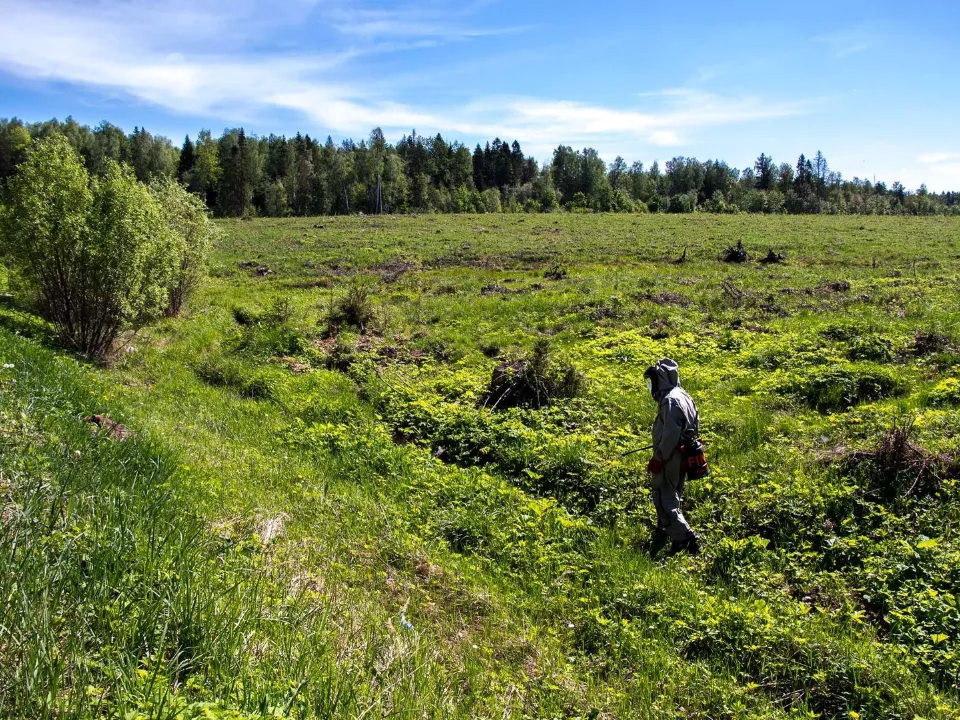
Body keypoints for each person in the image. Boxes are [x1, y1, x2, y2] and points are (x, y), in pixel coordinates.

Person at [644, 358, 701, 556]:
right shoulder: (682, 394)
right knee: (674, 493)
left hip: (671, 456)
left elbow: (670, 435)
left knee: (663, 495)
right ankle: (665, 527)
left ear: (660, 379)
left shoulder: (670, 400)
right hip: (684, 452)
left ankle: (685, 537)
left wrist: (658, 458)